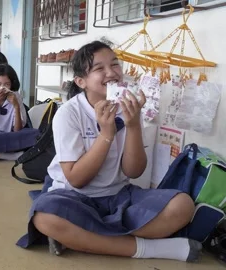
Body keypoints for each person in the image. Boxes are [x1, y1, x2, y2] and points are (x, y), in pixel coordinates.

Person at [16, 41, 201, 262]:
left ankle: (81, 238)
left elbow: (134, 171)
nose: (111, 73)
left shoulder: (129, 109)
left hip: (118, 195)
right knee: (44, 217)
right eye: (99, 68)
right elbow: (77, 179)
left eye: (115, 65)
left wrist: (133, 126)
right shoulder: (69, 113)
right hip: (74, 196)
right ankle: (152, 249)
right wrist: (106, 134)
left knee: (182, 206)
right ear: (81, 81)